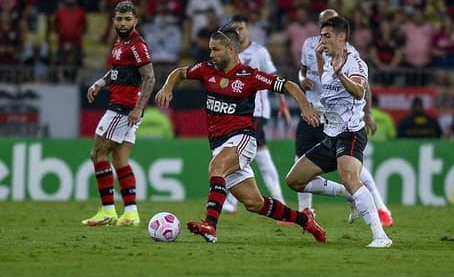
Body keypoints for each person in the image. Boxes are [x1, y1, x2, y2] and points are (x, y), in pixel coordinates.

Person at [155, 26, 326, 243]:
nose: (211, 55)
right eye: (210, 49)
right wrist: (168, 87)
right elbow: (179, 72)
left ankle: (210, 225)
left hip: (243, 138)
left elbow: (289, 85)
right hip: (219, 144)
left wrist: (305, 107)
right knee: (255, 203)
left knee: (216, 167)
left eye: (215, 50)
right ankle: (305, 220)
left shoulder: (249, 76)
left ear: (231, 50)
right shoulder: (207, 69)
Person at [286, 16, 393, 248]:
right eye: (321, 36)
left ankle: (380, 235)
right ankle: (346, 194)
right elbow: (327, 78)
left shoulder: (355, 63)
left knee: (350, 176)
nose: (322, 40)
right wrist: (317, 57)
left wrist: (341, 74)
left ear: (342, 37)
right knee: (294, 180)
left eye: (327, 36)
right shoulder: (328, 60)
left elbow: (358, 92)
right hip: (330, 135)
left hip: (351, 133)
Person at [82, 1, 156, 227]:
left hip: (123, 109)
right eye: (119, 19)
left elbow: (150, 77)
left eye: (127, 19)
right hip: (126, 108)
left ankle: (107, 210)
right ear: (114, 20)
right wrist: (100, 83)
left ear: (135, 21)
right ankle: (131, 213)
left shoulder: (136, 45)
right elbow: (117, 72)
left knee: (97, 154)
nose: (123, 23)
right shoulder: (119, 43)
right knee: (121, 160)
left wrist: (138, 108)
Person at [222, 14, 291, 214]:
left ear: (248, 30)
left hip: (258, 111)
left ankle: (276, 202)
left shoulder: (259, 52)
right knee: (251, 153)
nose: (238, 32)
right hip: (237, 112)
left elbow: (274, 78)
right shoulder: (229, 53)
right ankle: (236, 202)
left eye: (241, 28)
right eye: (235, 29)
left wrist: (283, 104)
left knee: (245, 152)